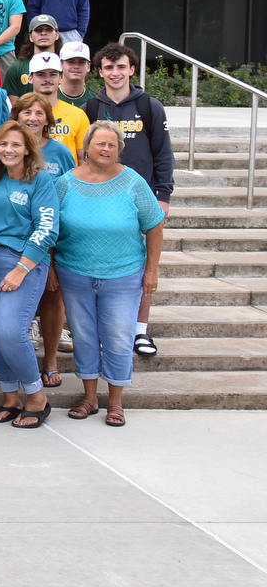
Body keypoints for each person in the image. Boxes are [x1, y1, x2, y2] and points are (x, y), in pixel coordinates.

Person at [55, 121, 166, 427]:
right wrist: (51, 268)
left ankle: (115, 402)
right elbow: (51, 228)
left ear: (119, 149)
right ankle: (89, 398)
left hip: (124, 274)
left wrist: (152, 271)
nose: (105, 149)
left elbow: (155, 225)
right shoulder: (65, 183)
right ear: (86, 146)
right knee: (84, 336)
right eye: (99, 143)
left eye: (112, 145)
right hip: (75, 272)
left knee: (118, 337)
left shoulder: (133, 182)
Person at [0, 121, 61, 429]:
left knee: (11, 331)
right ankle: (10, 396)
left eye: (16, 145)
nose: (9, 150)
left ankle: (36, 396)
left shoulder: (41, 181)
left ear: (27, 150)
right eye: (3, 144)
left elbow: (47, 229)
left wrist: (22, 269)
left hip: (21, 262)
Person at [89, 43, 173, 357]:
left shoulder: (150, 106)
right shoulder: (92, 107)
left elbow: (164, 154)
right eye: (109, 68)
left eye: (121, 67)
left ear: (132, 70)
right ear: (99, 72)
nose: (115, 73)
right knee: (102, 263)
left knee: (143, 265)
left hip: (142, 197)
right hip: (100, 198)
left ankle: (140, 331)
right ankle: (102, 330)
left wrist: (163, 194)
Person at [1, 14, 63, 97]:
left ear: (57, 35)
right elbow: (14, 107)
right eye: (38, 30)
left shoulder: (64, 65)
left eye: (48, 30)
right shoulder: (17, 68)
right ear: (30, 36)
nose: (43, 33)